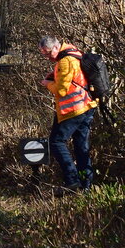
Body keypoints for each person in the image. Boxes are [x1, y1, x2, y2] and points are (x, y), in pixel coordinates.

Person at [39, 35, 98, 192]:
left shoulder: (65, 61)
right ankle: (86, 185)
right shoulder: (72, 53)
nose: (47, 57)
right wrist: (54, 77)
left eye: (48, 53)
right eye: (44, 54)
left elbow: (61, 90)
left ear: (56, 48)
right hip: (85, 106)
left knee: (56, 142)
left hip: (74, 109)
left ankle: (72, 180)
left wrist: (48, 84)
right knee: (81, 146)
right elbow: (72, 78)